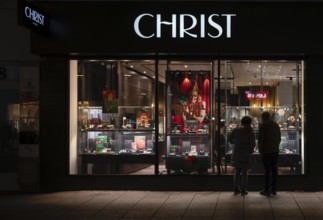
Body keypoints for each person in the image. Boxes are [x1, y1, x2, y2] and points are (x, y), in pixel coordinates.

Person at [228, 116, 255, 196]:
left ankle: (236, 189)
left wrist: (236, 143)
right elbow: (252, 144)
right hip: (246, 153)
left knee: (237, 172)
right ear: (249, 122)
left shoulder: (236, 130)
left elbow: (229, 139)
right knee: (244, 172)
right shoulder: (250, 131)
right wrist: (250, 151)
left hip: (237, 152)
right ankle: (243, 190)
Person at [258, 111, 281, 196]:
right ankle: (274, 189)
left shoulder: (263, 126)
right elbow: (279, 138)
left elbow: (261, 139)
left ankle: (267, 190)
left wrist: (260, 150)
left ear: (263, 117)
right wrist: (276, 146)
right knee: (274, 170)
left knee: (267, 171)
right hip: (275, 150)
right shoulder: (275, 125)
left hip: (266, 151)